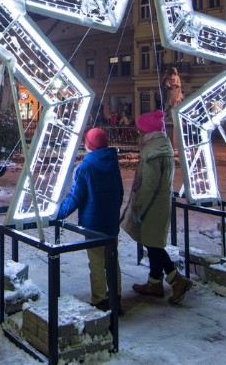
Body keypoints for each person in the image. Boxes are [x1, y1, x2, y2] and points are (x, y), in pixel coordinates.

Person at [122, 109, 192, 303]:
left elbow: (149, 185)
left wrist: (139, 209)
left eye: (140, 130)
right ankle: (154, 282)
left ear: (148, 131)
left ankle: (176, 279)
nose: (138, 134)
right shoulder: (162, 146)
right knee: (152, 241)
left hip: (152, 206)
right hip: (160, 203)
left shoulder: (153, 152)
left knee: (153, 244)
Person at [56, 128, 124, 313]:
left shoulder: (85, 167)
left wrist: (58, 214)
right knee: (112, 259)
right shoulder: (112, 162)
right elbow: (119, 191)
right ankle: (116, 297)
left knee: (96, 261)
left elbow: (75, 197)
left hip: (92, 223)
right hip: (110, 220)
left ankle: (100, 299)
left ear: (89, 144)